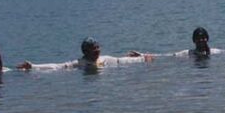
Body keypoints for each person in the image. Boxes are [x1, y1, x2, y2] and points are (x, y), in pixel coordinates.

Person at [17, 37, 153, 70]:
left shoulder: (106, 59)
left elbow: (121, 60)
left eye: (98, 47)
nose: (97, 50)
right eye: (93, 48)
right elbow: (56, 67)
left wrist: (142, 58)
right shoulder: (78, 64)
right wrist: (33, 66)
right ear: (85, 51)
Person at [131, 27, 225, 58]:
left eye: (204, 38)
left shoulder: (214, 52)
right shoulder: (188, 54)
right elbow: (166, 55)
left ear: (207, 39)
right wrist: (142, 55)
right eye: (199, 39)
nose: (202, 41)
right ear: (194, 41)